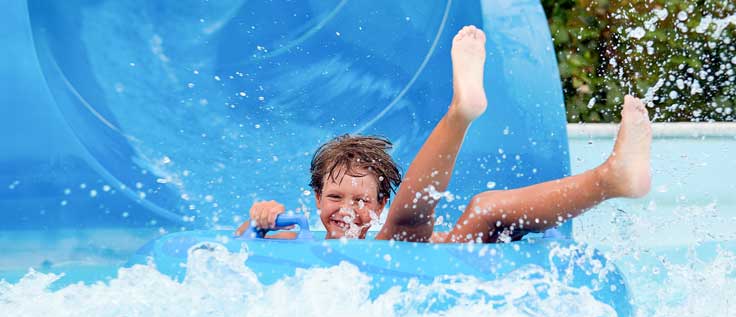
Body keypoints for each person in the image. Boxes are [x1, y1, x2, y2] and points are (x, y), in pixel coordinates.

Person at [236, 25, 651, 243]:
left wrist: (440, 240)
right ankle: (610, 179)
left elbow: (423, 234)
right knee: (441, 217)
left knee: (473, 211)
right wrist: (261, 217)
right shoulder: (298, 237)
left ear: (382, 204)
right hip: (401, 247)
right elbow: (242, 247)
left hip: (406, 252)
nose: (347, 209)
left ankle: (610, 178)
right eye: (335, 197)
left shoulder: (390, 232)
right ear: (315, 199)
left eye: (362, 200)